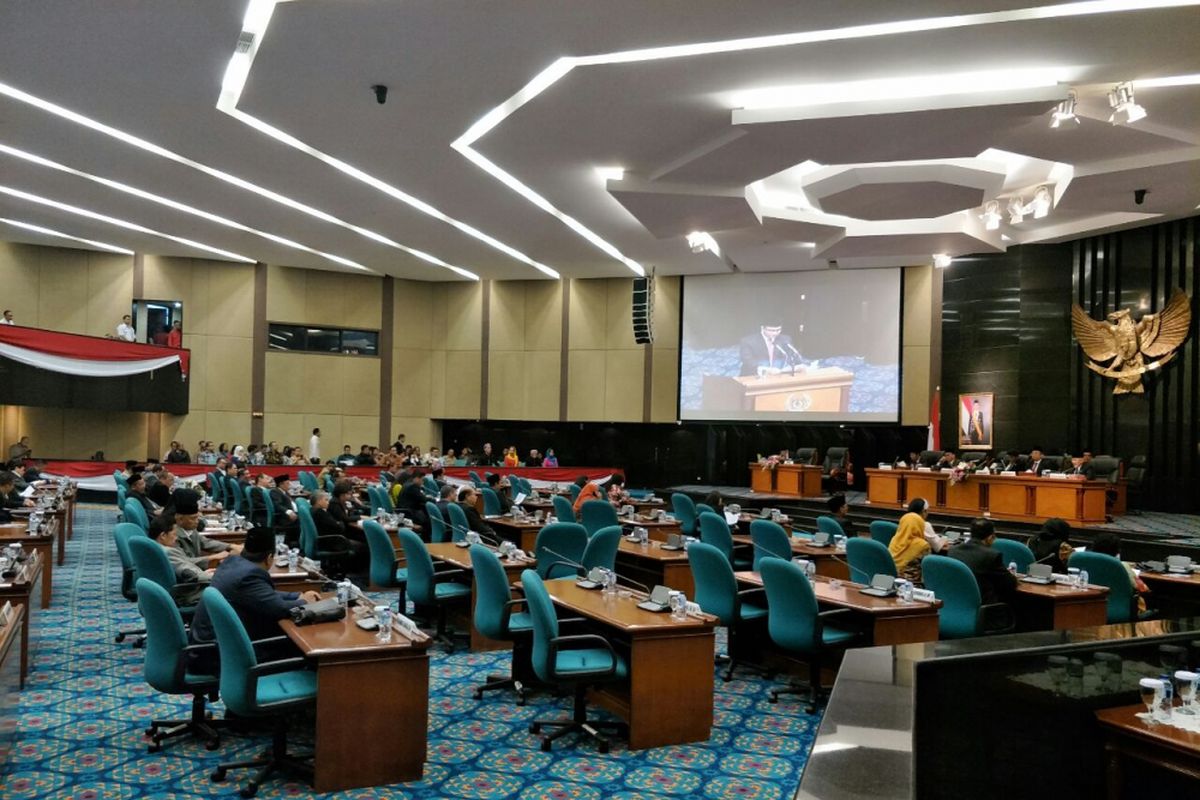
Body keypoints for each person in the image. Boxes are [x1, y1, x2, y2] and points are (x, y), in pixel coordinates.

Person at [188, 527, 321, 673]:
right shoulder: (250, 575)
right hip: (219, 655)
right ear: (269, 558)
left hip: (208, 648)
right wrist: (305, 602)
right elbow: (279, 609)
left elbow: (264, 595)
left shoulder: (232, 563)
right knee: (305, 649)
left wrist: (296, 596)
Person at [946, 519, 1017, 605]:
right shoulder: (991, 555)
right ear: (990, 537)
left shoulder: (953, 551)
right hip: (984, 607)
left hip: (956, 602)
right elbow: (1009, 583)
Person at [149, 517, 214, 606]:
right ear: (163, 535)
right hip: (188, 594)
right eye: (175, 534)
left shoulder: (152, 548)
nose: (177, 538)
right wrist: (211, 575)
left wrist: (203, 573)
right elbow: (189, 573)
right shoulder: (167, 552)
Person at [171, 490, 241, 565]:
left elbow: (205, 542)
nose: (197, 521)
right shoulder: (172, 536)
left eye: (197, 518)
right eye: (193, 518)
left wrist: (230, 546)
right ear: (180, 519)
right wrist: (213, 557)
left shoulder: (190, 529)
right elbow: (182, 562)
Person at [1091, 532, 1149, 613]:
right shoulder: (1122, 566)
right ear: (1117, 551)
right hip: (1121, 610)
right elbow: (1142, 589)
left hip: (1092, 608)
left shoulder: (1087, 563)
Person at [888, 512, 931, 583]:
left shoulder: (894, 539)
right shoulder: (923, 545)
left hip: (891, 581)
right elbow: (927, 572)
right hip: (912, 586)